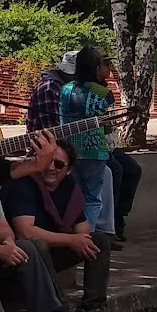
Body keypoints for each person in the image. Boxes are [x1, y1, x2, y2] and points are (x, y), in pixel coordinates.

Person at [1, 139, 116, 312]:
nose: (51, 168)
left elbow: (82, 227)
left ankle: (92, 311)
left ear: (68, 170)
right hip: (20, 260)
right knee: (38, 244)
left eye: (59, 164)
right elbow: (25, 231)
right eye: (47, 161)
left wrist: (80, 240)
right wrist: (71, 240)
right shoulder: (25, 183)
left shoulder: (69, 186)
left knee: (99, 241)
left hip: (51, 253)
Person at [58, 45, 119, 240]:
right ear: (96, 68)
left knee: (71, 195)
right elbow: (108, 124)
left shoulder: (65, 89)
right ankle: (87, 237)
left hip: (68, 148)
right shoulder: (103, 93)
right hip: (95, 150)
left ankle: (70, 235)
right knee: (92, 198)